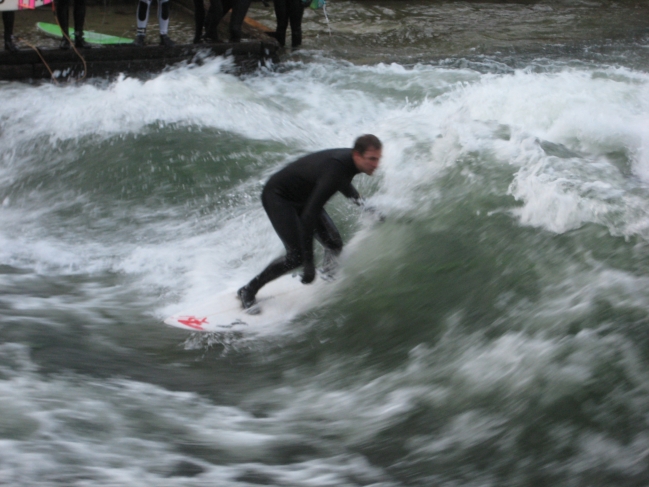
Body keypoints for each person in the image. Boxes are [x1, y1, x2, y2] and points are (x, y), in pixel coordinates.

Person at [237, 134, 383, 312]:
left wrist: (366, 207)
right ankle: (248, 290)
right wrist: (308, 263)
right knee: (295, 257)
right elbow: (308, 217)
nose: (376, 164)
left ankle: (327, 278)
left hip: (303, 198)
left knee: (334, 243)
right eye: (372, 159)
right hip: (279, 197)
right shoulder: (337, 168)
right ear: (357, 156)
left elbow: (342, 183)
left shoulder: (348, 164)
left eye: (378, 159)